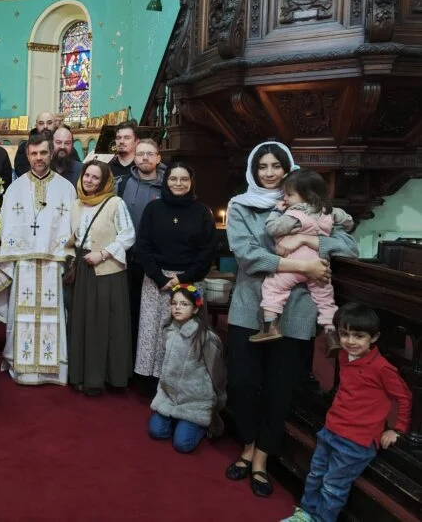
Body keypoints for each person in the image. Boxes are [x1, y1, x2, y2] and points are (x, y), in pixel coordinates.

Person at [225, 142, 358, 498]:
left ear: (288, 170)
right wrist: (301, 264)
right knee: (241, 382)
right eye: (262, 166)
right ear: (253, 171)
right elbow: (247, 256)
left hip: (298, 310)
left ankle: (261, 458)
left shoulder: (315, 206)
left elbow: (349, 247)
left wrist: (308, 242)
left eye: (275, 166)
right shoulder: (240, 206)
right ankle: (248, 442)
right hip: (249, 306)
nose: (268, 173)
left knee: (279, 387)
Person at [281, 303, 411, 522]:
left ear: (375, 337)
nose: (350, 341)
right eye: (345, 334)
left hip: (356, 442)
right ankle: (306, 514)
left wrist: (398, 429)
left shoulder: (382, 368)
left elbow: (405, 396)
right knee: (315, 476)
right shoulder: (343, 355)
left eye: (358, 336)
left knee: (333, 486)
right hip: (331, 430)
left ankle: (321, 519)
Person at [0, 134, 77, 385]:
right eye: (34, 154)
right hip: (24, 263)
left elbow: (71, 225)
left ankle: (53, 368)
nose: (38, 158)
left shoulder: (65, 188)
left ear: (51, 154)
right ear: (27, 156)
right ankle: (22, 366)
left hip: (53, 263)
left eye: (43, 153)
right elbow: (7, 224)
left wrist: (65, 255)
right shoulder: (15, 188)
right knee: (23, 314)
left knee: (54, 313)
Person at [252, 169, 354, 349]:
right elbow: (349, 222)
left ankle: (270, 326)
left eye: (289, 195)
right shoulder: (330, 212)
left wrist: (276, 211)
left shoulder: (295, 215)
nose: (286, 199)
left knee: (272, 289)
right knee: (325, 299)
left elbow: (273, 229)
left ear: (306, 195)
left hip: (293, 265)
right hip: (320, 265)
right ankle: (332, 334)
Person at [133, 163, 217, 379]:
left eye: (184, 179)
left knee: (185, 332)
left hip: (190, 281)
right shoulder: (153, 209)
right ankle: (152, 379)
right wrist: (160, 277)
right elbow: (143, 246)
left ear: (191, 182)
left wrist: (182, 278)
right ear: (166, 181)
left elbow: (207, 251)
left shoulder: (202, 212)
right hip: (156, 281)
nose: (178, 183)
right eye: (173, 179)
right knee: (154, 333)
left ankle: (182, 379)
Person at [65, 160, 135, 395]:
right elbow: (71, 236)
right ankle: (82, 375)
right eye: (87, 176)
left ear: (105, 181)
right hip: (83, 269)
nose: (89, 181)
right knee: (82, 322)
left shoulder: (116, 203)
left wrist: (103, 254)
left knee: (104, 324)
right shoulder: (76, 204)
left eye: (96, 177)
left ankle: (105, 377)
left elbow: (128, 236)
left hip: (107, 271)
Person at [148, 284, 226, 453]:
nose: (177, 307)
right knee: (156, 431)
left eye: (184, 304)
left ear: (195, 309)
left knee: (182, 445)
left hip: (194, 401)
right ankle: (177, 420)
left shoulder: (205, 337)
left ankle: (200, 425)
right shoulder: (168, 331)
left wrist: (218, 400)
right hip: (169, 397)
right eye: (174, 303)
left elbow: (217, 373)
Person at [120, 137, 165, 360]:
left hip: (158, 261)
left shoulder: (169, 185)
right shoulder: (123, 183)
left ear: (158, 158)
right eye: (140, 154)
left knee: (154, 316)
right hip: (128, 259)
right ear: (134, 159)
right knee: (130, 312)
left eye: (149, 154)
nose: (144, 158)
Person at [13, 112, 54, 177]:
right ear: (36, 126)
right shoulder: (24, 147)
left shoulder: (62, 147)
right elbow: (20, 170)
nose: (45, 126)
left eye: (49, 123)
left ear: (55, 125)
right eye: (41, 123)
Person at [108, 121, 137, 192]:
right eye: (118, 138)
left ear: (137, 141)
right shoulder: (107, 168)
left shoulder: (140, 167)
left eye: (127, 138)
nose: (121, 141)